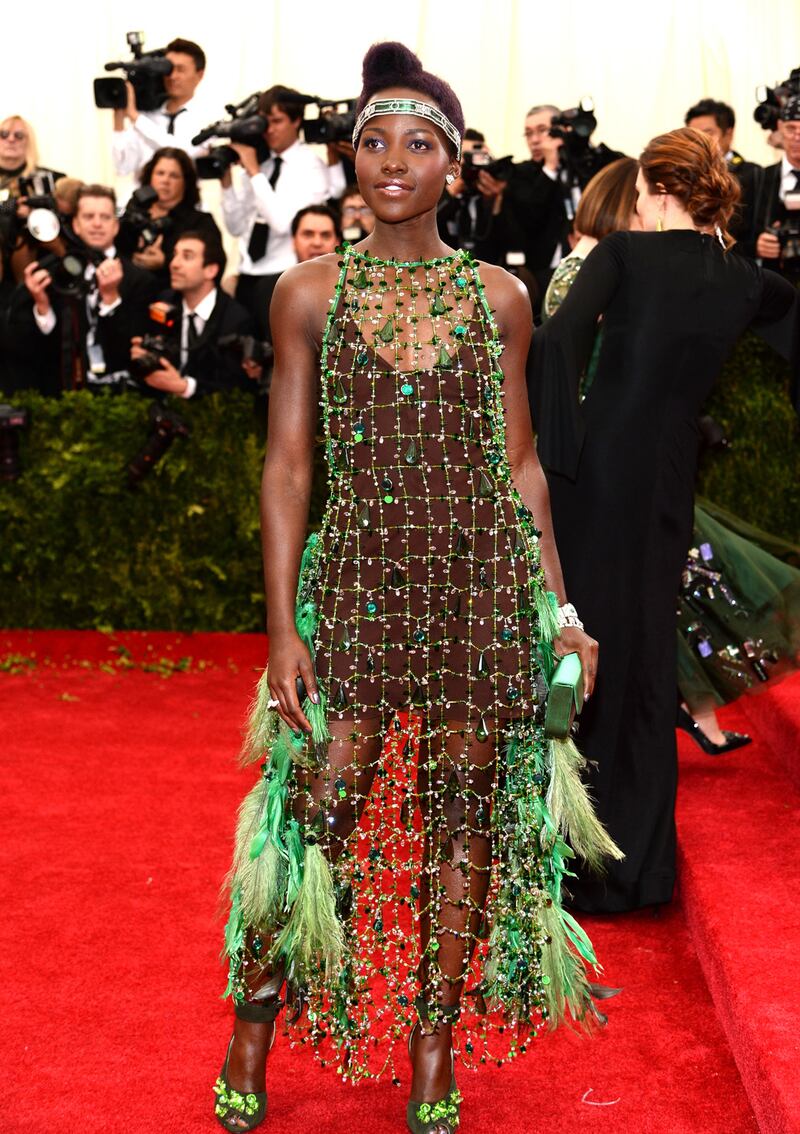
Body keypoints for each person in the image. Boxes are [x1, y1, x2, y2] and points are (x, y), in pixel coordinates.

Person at [213, 39, 618, 1134]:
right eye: (373, 143)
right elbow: (289, 468)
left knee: (464, 818)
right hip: (353, 588)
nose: (392, 160)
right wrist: (281, 628)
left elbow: (521, 463)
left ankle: (433, 1044)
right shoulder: (305, 292)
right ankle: (252, 1023)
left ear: (454, 164)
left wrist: (562, 610)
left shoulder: (501, 297)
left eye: (418, 143)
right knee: (316, 810)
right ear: (352, 163)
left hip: (481, 582)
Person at [529, 127, 800, 915]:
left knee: (581, 647)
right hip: (666, 482)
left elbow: (559, 341)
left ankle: (572, 861)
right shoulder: (743, 281)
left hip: (597, 471)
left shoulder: (622, 257)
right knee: (647, 660)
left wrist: (557, 452)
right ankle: (640, 870)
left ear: (653, 189)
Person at [220, 86, 330, 340]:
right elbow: (236, 227)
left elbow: (284, 224)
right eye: (264, 122)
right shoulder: (260, 164)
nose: (269, 129)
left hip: (281, 277)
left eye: (277, 121)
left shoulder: (310, 166)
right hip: (246, 276)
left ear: (296, 121)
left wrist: (255, 173)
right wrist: (227, 183)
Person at [131, 231, 254, 398]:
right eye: (174, 255)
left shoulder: (235, 319)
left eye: (187, 257)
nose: (174, 264)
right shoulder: (165, 301)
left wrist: (185, 387)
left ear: (210, 270)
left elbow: (237, 388)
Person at [118, 147, 221, 289]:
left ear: (185, 182)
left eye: (174, 176)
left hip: (174, 297)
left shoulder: (200, 222)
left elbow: (215, 265)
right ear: (150, 177)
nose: (165, 180)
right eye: (160, 173)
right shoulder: (134, 211)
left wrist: (166, 262)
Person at [110, 38, 211, 178]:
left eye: (180, 70)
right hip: (142, 197)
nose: (173, 76)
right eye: (168, 69)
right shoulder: (147, 115)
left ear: (199, 74)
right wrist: (119, 118)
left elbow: (183, 155)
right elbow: (122, 167)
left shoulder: (208, 117)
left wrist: (135, 117)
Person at [684, 98, 762, 257]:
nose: (699, 141)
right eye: (692, 135)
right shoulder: (683, 176)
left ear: (728, 133)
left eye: (707, 133)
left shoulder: (753, 174)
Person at [754, 94, 800, 283]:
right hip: (774, 286)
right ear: (780, 128)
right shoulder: (759, 178)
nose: (797, 137)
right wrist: (756, 246)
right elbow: (733, 238)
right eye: (791, 128)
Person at [0, 116, 64, 202]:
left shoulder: (52, 181)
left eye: (19, 135)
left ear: (29, 141)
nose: (11, 139)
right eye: (4, 134)